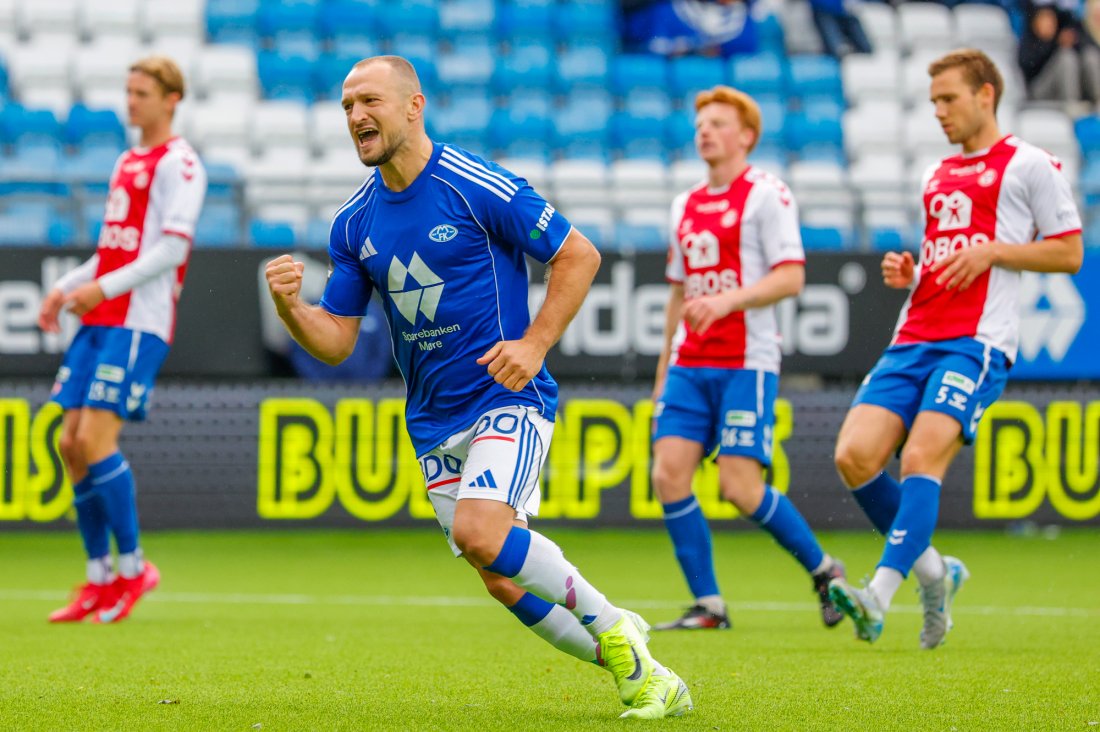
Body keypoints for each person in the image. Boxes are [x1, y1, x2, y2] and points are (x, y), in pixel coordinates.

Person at [264, 55, 692, 721]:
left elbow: (578, 255)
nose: (355, 117)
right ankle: (645, 676)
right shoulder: (352, 224)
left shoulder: (472, 183)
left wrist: (535, 344)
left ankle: (614, 626)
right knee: (496, 573)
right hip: (433, 421)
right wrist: (293, 309)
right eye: (347, 106)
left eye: (369, 101)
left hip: (506, 398)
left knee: (479, 531)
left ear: (414, 106)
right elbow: (338, 341)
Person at [828, 48, 1083, 647]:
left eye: (949, 99)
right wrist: (913, 274)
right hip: (914, 334)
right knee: (854, 456)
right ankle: (936, 574)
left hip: (976, 343)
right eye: (933, 102)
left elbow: (1069, 251)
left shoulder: (1028, 165)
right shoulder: (936, 174)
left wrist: (996, 250)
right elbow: (950, 256)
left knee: (919, 460)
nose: (939, 112)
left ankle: (877, 596)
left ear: (985, 95)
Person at [650, 85, 847, 632]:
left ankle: (824, 569)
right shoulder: (684, 204)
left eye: (717, 123)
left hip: (745, 361)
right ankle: (708, 605)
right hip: (690, 364)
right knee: (669, 475)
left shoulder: (767, 194)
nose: (704, 131)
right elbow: (678, 294)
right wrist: (663, 371)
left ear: (747, 136)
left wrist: (729, 300)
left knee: (739, 488)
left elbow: (792, 276)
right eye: (700, 124)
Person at [37, 56, 207, 623]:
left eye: (142, 92)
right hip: (100, 314)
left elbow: (171, 250)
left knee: (93, 440)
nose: (131, 102)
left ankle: (135, 569)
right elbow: (115, 246)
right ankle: (97, 578)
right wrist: (66, 287)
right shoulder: (127, 159)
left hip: (139, 320)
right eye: (128, 91)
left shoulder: (180, 164)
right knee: (69, 443)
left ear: (171, 99)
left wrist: (101, 287)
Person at [1018, 0, 1100, 109]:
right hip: (1039, 91)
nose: (1048, 23)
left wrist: (1073, 41)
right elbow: (1028, 65)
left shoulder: (1066, 29)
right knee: (1066, 58)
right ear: (1035, 22)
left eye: (1051, 19)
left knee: (1090, 55)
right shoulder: (1030, 40)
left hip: (1071, 86)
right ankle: (1072, 104)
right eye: (1044, 19)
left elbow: (1091, 48)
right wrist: (1055, 45)